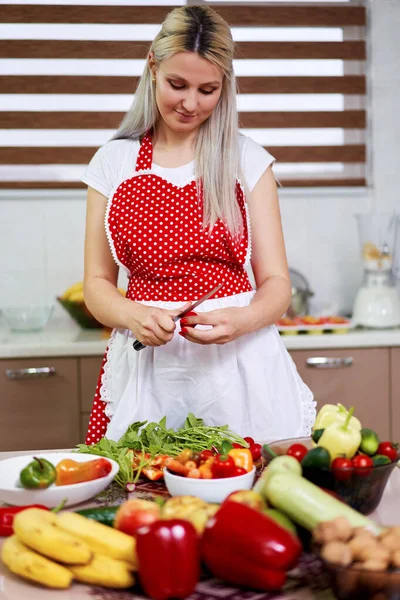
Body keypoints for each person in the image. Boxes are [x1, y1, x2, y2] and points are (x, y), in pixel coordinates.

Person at [81, 5, 315, 446]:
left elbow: (277, 283)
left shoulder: (247, 160)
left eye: (207, 90)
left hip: (241, 368)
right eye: (177, 84)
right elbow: (96, 283)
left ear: (224, 86)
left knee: (256, 499)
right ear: (152, 66)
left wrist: (243, 320)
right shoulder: (113, 162)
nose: (190, 103)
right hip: (148, 368)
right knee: (144, 499)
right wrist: (133, 315)